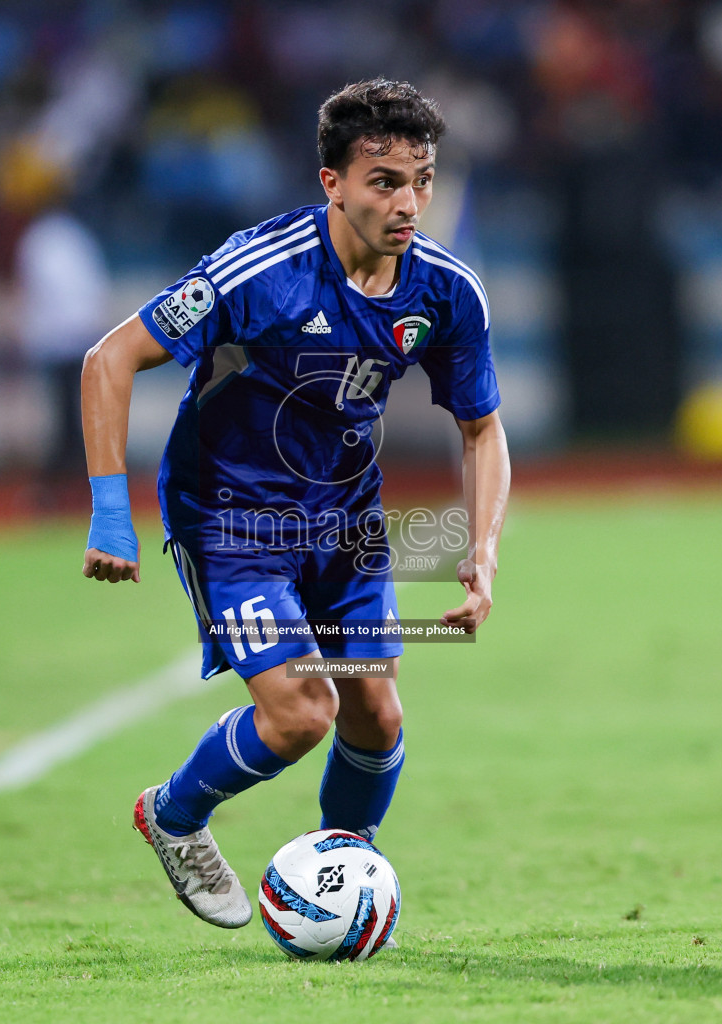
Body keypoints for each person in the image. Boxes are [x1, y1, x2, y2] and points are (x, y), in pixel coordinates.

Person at [79, 79, 511, 930]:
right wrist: (109, 512)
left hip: (345, 523)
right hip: (231, 518)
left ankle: (337, 882)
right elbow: (109, 359)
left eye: (422, 179)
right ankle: (173, 814)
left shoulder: (446, 291)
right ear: (333, 183)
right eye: (385, 181)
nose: (409, 202)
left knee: (377, 715)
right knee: (303, 711)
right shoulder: (261, 270)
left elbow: (481, 431)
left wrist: (482, 547)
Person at [14, 186, 110, 509]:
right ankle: (71, 490)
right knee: (75, 421)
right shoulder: (72, 237)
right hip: (77, 340)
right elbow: (90, 288)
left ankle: (57, 491)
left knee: (69, 421)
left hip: (62, 342)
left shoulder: (40, 239)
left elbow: (39, 293)